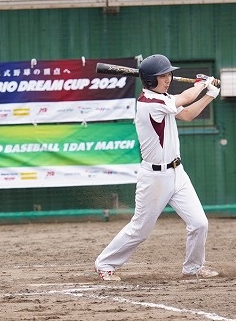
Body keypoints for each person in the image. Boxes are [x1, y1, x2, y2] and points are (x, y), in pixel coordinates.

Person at [94, 54, 220, 281]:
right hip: (154, 178)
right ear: (150, 80)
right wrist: (203, 84)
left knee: (199, 223)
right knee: (140, 229)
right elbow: (186, 97)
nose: (168, 78)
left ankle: (193, 268)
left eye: (169, 74)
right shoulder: (150, 103)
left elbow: (188, 114)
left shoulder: (164, 99)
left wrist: (210, 94)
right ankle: (105, 264)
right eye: (163, 75)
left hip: (178, 173)